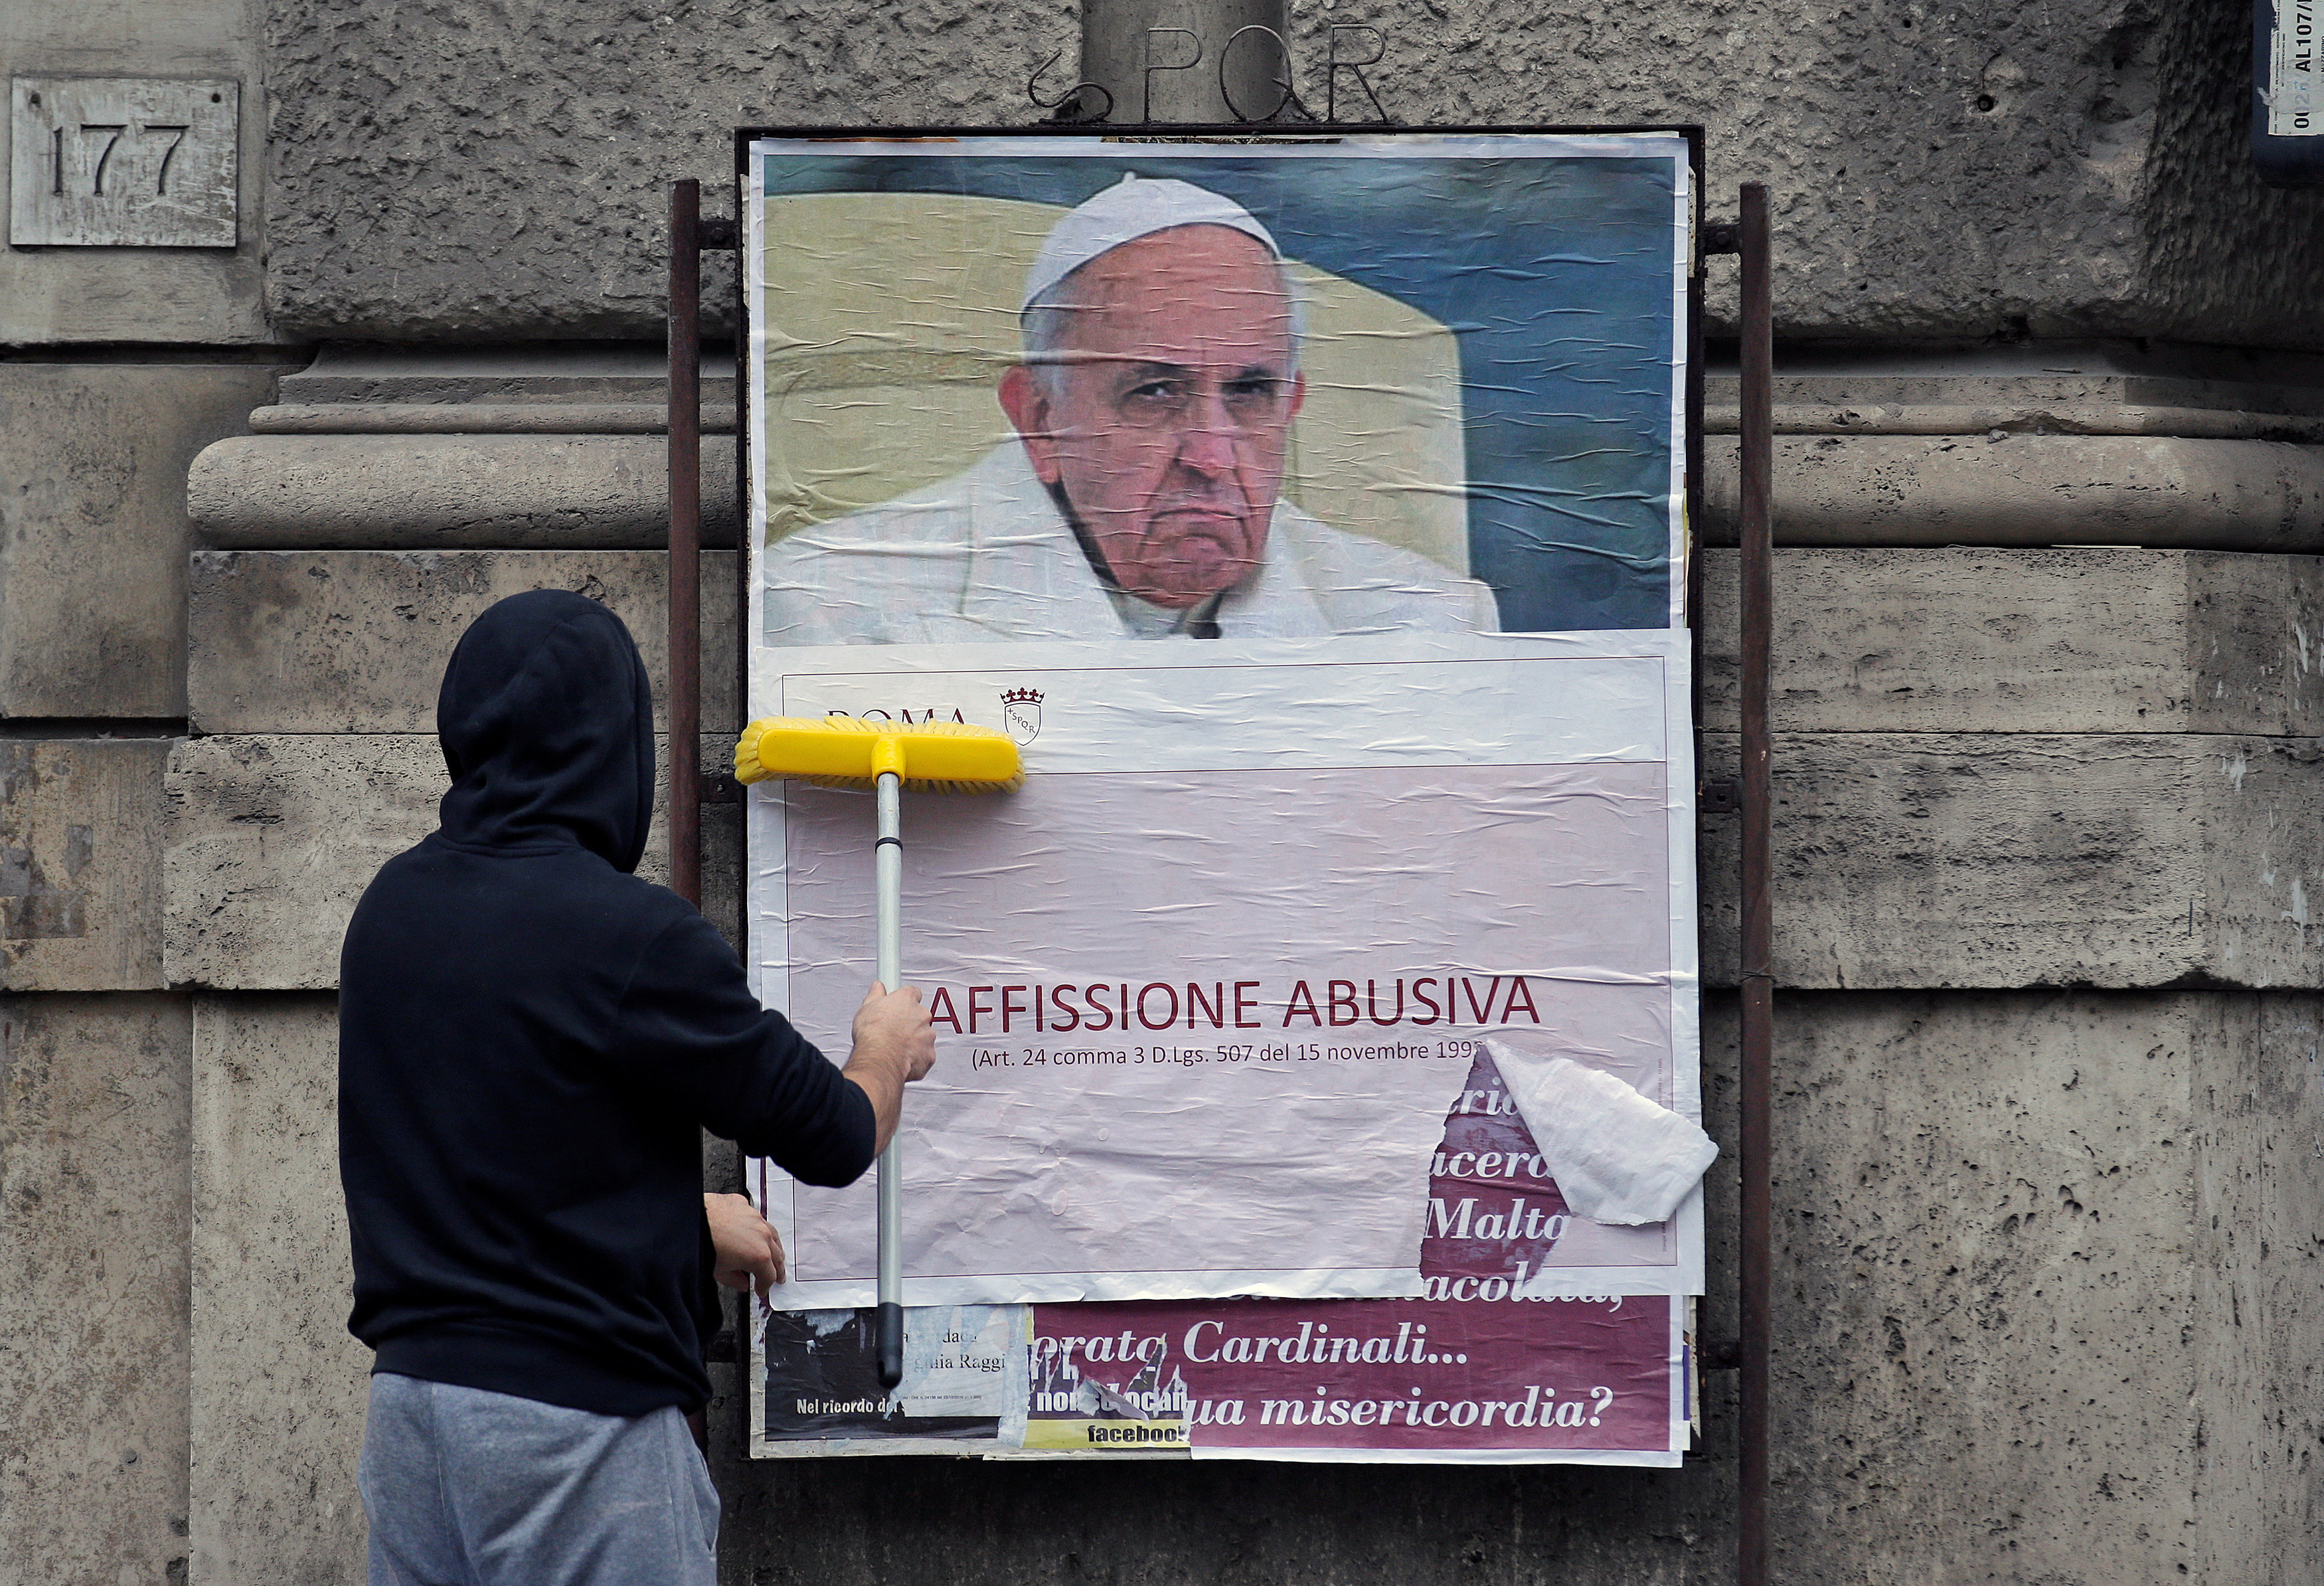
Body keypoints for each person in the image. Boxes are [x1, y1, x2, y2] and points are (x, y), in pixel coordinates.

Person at [337, 589, 934, 1585]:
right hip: (576, 1432)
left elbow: (497, 1160)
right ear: (616, 747)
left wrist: (685, 1224)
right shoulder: (630, 937)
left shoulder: (390, 911)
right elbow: (834, 1136)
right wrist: (883, 1051)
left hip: (414, 1423)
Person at [763, 173, 1495, 644]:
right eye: (1155, 393)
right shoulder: (831, 608)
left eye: (1249, 392)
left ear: (1290, 405)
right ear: (1040, 421)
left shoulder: (1423, 627)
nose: (1211, 458)